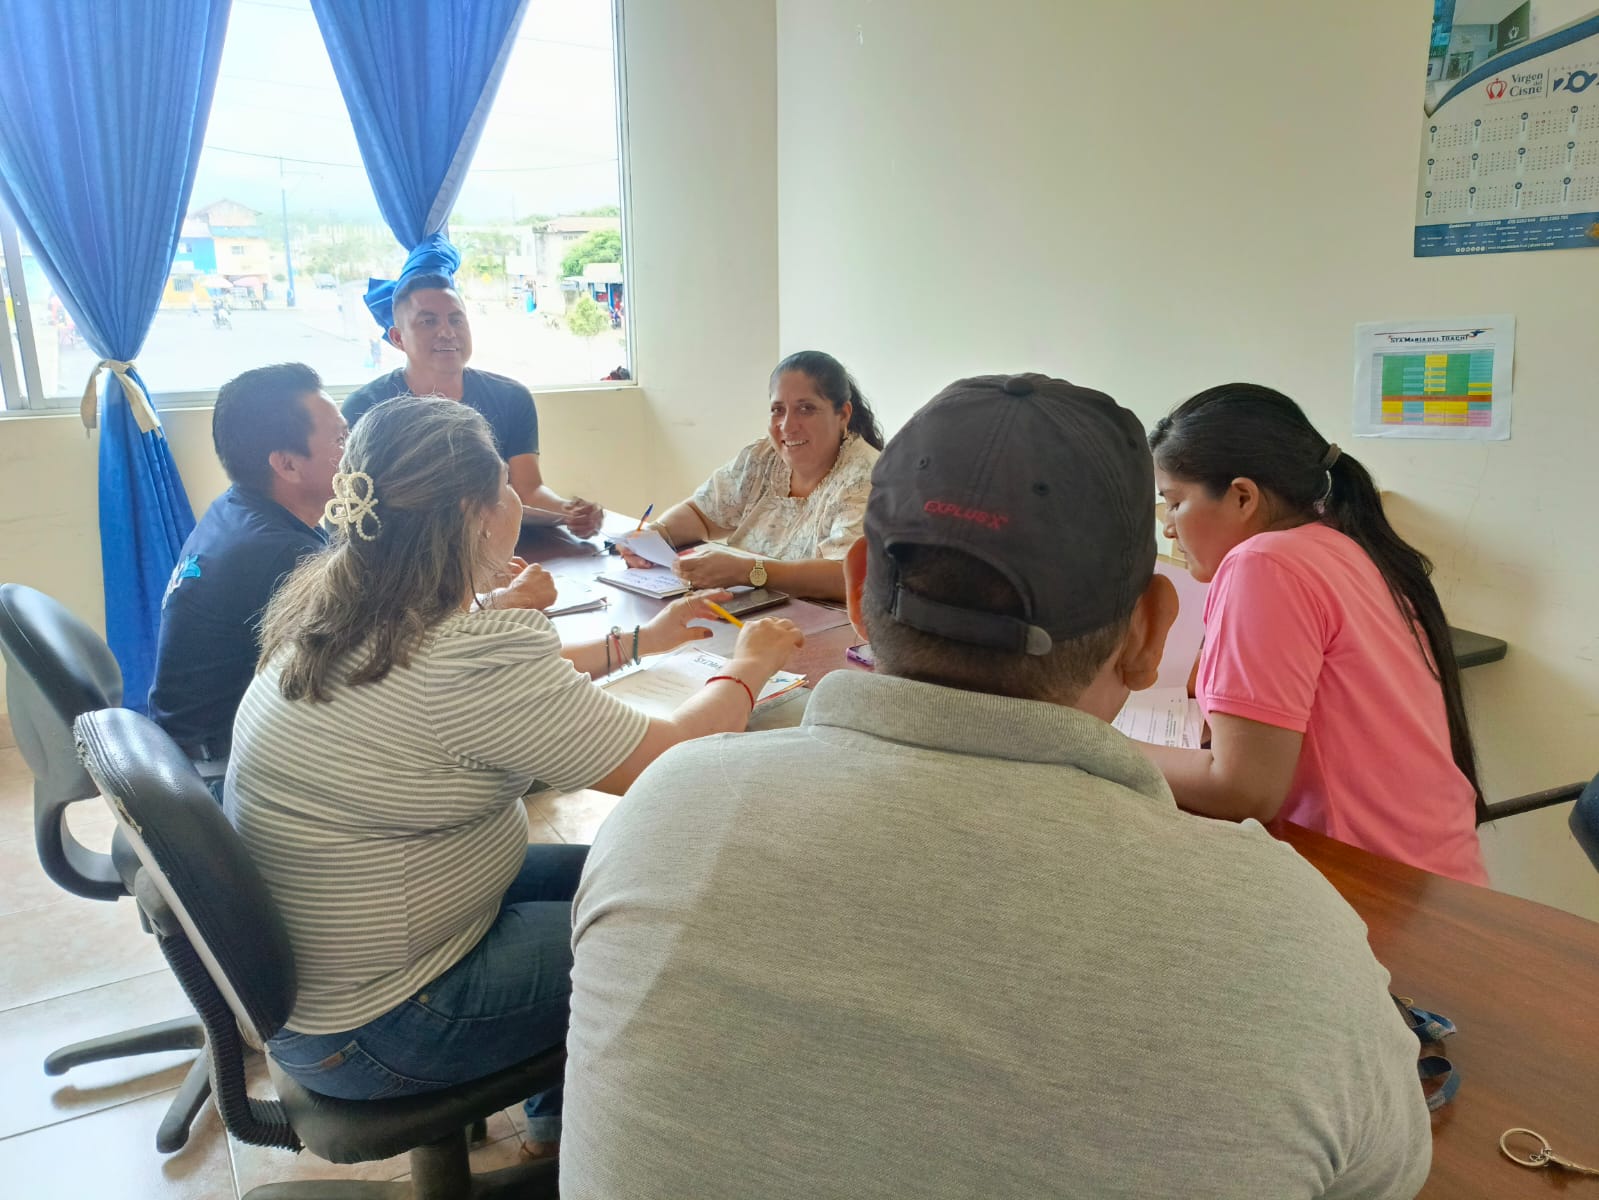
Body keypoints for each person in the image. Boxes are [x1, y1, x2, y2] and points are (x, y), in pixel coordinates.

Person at [562, 373, 1432, 1199]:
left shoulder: (664, 812)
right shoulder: (1287, 929)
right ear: (1149, 632)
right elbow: (1384, 1174)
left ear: (858, 593)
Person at [226, 395, 802, 1156]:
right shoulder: (464, 660)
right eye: (503, 484)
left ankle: (553, 1122)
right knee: (677, 928)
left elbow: (483, 685)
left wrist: (639, 643)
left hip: (321, 990)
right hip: (379, 1026)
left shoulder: (334, 609)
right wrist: (751, 665)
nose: (516, 500)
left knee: (636, 866)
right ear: (473, 515)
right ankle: (612, 1145)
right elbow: (671, 753)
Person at [1146, 382, 1486, 885]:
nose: (1169, 527)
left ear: (1242, 497)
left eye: (1174, 502)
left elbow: (1242, 790)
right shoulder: (1337, 544)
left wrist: (1104, 745)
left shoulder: (1263, 562)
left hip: (1368, 885)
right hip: (1435, 878)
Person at [148, 363, 345, 795]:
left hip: (183, 745)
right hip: (219, 771)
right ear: (287, 464)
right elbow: (365, 666)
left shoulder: (236, 509)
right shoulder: (282, 556)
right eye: (340, 440)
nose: (353, 453)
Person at [344, 234, 603, 536]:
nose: (447, 332)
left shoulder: (510, 398)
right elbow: (355, 509)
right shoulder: (368, 408)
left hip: (499, 549)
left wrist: (570, 512)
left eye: (456, 320)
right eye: (428, 322)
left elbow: (528, 490)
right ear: (398, 338)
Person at [616, 350, 883, 600]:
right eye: (778, 409)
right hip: (750, 612)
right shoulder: (763, 458)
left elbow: (848, 576)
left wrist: (749, 571)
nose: (788, 425)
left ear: (843, 414)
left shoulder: (867, 478)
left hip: (821, 625)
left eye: (806, 409)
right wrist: (655, 536)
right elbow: (701, 513)